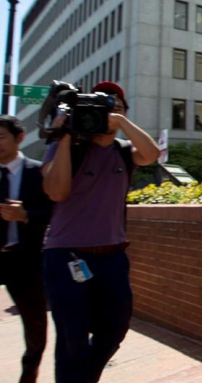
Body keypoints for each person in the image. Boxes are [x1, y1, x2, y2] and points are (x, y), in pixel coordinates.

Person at [41, 81, 159, 383]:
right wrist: (65, 134)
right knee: (72, 338)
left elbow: (152, 154)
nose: (106, 115)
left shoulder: (124, 152)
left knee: (115, 328)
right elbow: (56, 191)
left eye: (115, 108)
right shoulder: (69, 146)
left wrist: (118, 120)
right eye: (101, 108)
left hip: (112, 257)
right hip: (65, 256)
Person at [0, 115, 53, 383]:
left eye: (1, 137)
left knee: (35, 328)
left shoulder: (38, 172)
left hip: (26, 260)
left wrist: (26, 216)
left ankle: (28, 374)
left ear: (19, 138)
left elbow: (53, 213)